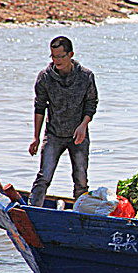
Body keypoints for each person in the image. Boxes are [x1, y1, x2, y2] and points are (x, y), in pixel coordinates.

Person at [28, 36, 98, 206]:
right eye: (53, 56)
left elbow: (91, 104)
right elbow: (39, 107)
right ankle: (31, 211)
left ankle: (81, 214)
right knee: (44, 177)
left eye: (60, 56)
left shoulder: (86, 76)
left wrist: (83, 126)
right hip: (53, 135)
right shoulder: (45, 77)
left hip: (78, 135)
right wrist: (36, 138)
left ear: (71, 54)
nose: (57, 60)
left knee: (81, 181)